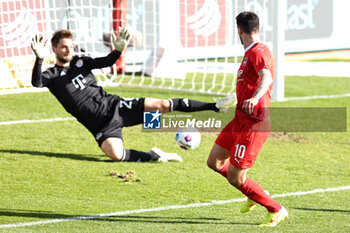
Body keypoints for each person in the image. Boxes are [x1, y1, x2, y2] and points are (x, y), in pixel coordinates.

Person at [30, 27, 235, 163]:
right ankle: (156, 156)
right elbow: (36, 82)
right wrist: (39, 60)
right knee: (116, 155)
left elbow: (108, 61)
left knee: (161, 104)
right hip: (99, 126)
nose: (69, 50)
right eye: (64, 47)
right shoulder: (52, 75)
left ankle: (214, 106)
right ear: (54, 48)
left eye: (71, 46)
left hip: (115, 107)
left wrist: (118, 51)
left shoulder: (80, 61)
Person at [206, 11, 288, 227]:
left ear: (239, 30)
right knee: (214, 162)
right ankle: (251, 190)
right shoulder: (251, 52)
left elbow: (267, 77)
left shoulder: (259, 51)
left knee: (235, 177)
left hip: (254, 125)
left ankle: (275, 209)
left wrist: (254, 97)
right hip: (239, 120)